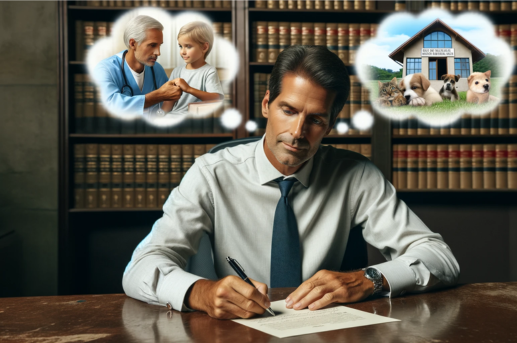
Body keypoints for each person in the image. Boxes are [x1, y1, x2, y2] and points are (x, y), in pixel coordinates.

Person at [123, 45, 460, 319]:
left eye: (315, 119)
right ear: (267, 105)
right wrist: (201, 292)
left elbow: (440, 257)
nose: (298, 133)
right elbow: (141, 267)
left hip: (331, 332)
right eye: (289, 110)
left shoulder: (356, 175)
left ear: (329, 126)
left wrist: (370, 279)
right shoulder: (211, 174)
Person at [93, 15, 182, 117]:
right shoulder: (105, 68)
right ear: (133, 44)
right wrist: (159, 95)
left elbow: (168, 105)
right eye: (152, 45)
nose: (158, 52)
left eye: (159, 45)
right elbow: (111, 105)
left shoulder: (157, 69)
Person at [162, 21, 224, 114]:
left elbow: (216, 98)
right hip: (172, 117)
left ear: (204, 47)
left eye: (188, 46)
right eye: (180, 46)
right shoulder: (177, 71)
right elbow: (168, 102)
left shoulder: (209, 71)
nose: (182, 52)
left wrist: (188, 89)